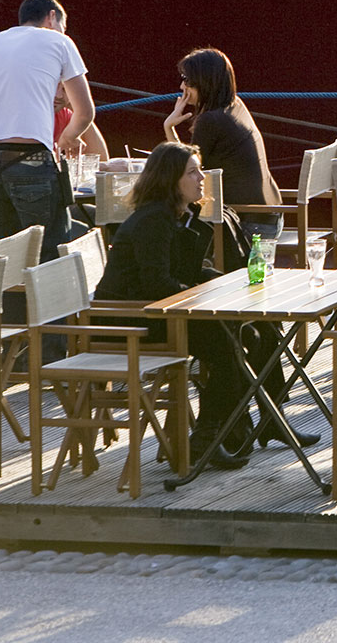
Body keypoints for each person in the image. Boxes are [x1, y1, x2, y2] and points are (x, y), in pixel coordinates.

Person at [96, 142, 302, 469]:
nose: (202, 177)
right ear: (171, 179)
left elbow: (184, 271)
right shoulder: (153, 221)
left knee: (256, 330)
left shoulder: (178, 215)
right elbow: (156, 283)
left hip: (159, 311)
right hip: (131, 321)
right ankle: (208, 438)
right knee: (226, 344)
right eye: (193, 172)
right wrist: (204, 296)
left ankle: (248, 425)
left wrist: (224, 283)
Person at [0, 0, 93, 261]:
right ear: (52, 18)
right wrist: (68, 137)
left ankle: (8, 303)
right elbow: (85, 111)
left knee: (4, 257)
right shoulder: (59, 40)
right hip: (31, 160)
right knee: (49, 255)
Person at [162, 47, 282, 226]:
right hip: (269, 214)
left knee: (168, 220)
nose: (182, 87)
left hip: (247, 223)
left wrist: (168, 126)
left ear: (204, 81)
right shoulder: (235, 105)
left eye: (187, 80)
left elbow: (186, 169)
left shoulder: (211, 120)